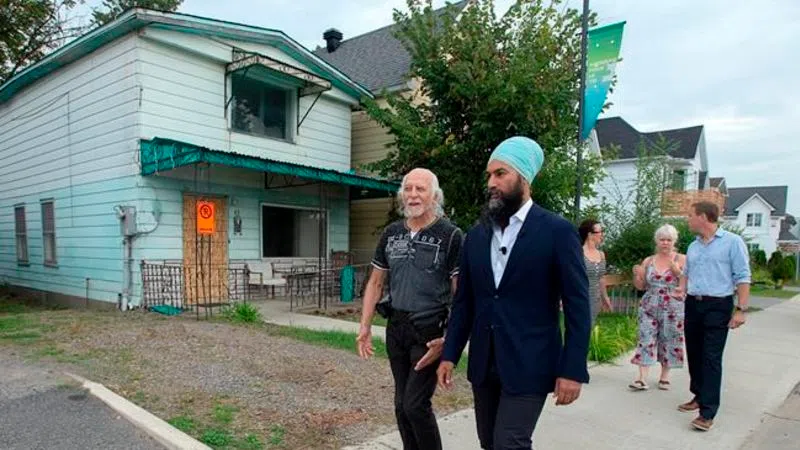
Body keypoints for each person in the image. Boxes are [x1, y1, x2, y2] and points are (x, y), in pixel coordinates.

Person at [437, 136, 592, 450]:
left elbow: (578, 305)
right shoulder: (476, 236)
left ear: (525, 178)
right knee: (489, 442)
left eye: (500, 174)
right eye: (489, 175)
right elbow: (465, 302)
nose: (491, 183)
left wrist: (573, 369)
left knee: (510, 443)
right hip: (484, 363)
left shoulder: (557, 231)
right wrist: (450, 354)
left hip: (530, 361)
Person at [356, 168, 463, 450]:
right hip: (397, 328)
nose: (413, 195)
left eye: (421, 189)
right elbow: (376, 282)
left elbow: (460, 293)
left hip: (429, 332)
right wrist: (365, 326)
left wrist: (449, 340)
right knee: (401, 406)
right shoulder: (392, 233)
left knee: (415, 405)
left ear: (435, 196)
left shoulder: (450, 235)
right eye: (408, 188)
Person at [679, 201, 750, 432]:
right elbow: (687, 272)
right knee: (695, 353)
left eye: (690, 215)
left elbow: (742, 276)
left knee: (711, 357)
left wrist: (741, 309)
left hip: (718, 305)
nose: (688, 219)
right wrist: (681, 289)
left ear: (703, 217)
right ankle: (698, 395)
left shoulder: (732, 242)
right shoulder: (693, 246)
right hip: (693, 303)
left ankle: (707, 412)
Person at [628, 224, 687, 392]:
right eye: (662, 239)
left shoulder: (682, 259)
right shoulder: (649, 261)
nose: (665, 243)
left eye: (669, 240)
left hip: (673, 307)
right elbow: (641, 286)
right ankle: (642, 378)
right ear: (657, 241)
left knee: (669, 339)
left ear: (674, 241)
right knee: (645, 338)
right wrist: (637, 275)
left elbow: (690, 284)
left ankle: (664, 376)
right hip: (649, 304)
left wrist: (678, 272)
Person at [578, 219, 612, 324]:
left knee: (590, 327)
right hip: (580, 299)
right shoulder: (578, 253)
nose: (602, 235)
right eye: (600, 232)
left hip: (595, 300)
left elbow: (601, 278)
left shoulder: (601, 254)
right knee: (581, 328)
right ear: (590, 234)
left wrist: (605, 297)